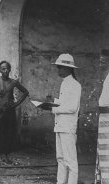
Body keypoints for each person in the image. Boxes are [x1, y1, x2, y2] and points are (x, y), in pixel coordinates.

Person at [40, 54, 81, 184]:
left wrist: (53, 108)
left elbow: (72, 108)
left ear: (68, 69)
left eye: (60, 68)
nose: (58, 70)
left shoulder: (75, 85)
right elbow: (64, 103)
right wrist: (52, 102)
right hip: (60, 125)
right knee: (60, 158)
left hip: (68, 127)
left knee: (70, 161)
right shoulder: (65, 84)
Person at [95, 49, 109, 183]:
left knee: (107, 154)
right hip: (104, 119)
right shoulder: (107, 77)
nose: (100, 64)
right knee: (103, 153)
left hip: (108, 119)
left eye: (103, 61)